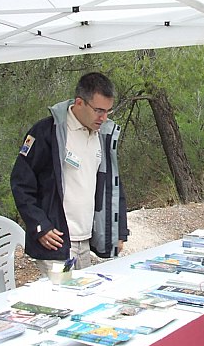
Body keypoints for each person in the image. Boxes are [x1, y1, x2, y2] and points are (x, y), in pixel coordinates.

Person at [11, 72, 128, 277]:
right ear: (79, 102)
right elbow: (21, 182)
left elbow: (113, 186)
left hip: (85, 240)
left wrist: (119, 230)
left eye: (108, 111)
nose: (104, 117)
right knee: (65, 298)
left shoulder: (103, 135)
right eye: (99, 110)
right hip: (56, 243)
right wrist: (41, 227)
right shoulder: (47, 132)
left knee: (86, 297)